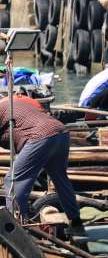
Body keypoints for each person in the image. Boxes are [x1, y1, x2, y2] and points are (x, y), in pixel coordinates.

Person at [0, 99, 84, 235]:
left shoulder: (3, 108)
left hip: (40, 136)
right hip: (60, 131)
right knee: (60, 178)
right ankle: (76, 222)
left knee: (12, 182)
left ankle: (17, 231)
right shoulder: (12, 103)